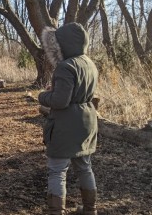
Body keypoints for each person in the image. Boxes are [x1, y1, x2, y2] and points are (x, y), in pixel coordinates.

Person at [38, 23, 99, 215]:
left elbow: (60, 101)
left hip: (66, 125)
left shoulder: (65, 67)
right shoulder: (89, 63)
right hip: (87, 121)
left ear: (63, 44)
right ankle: (90, 209)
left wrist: (43, 96)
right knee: (84, 167)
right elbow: (79, 93)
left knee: (57, 170)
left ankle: (56, 212)